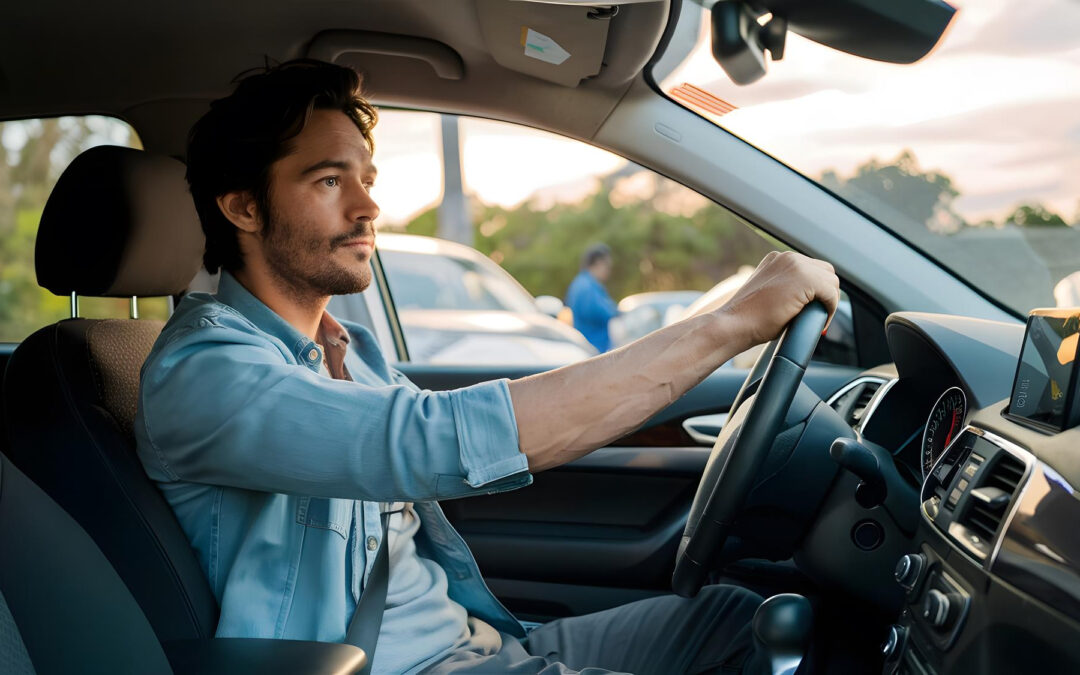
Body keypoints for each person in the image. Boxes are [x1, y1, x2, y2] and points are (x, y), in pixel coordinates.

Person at [134, 59, 839, 674]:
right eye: (328, 181)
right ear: (244, 208)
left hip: (485, 642)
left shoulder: (349, 350)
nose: (368, 205)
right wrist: (728, 322)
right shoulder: (205, 373)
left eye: (366, 177)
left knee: (732, 617)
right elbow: (439, 437)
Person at [565, 244, 618, 352]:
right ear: (599, 263)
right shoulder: (587, 287)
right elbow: (606, 312)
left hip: (587, 347)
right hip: (593, 349)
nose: (609, 271)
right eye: (607, 266)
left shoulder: (581, 282)